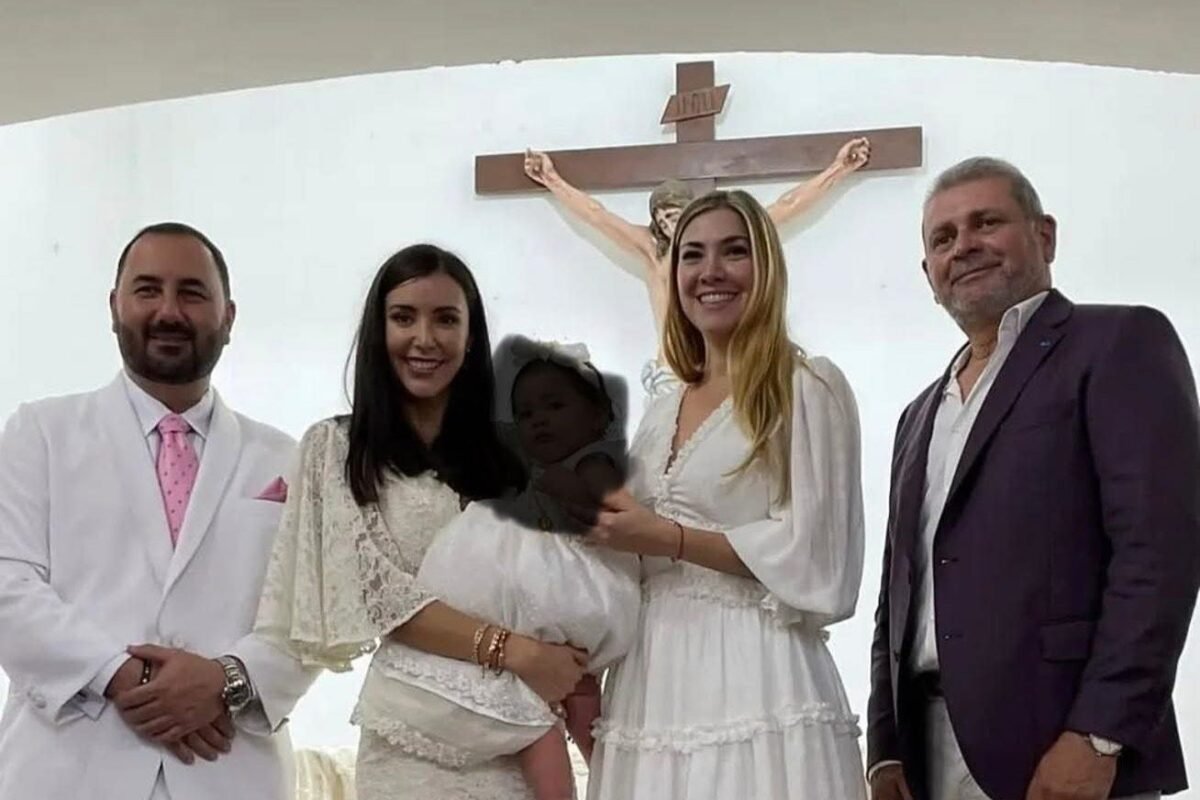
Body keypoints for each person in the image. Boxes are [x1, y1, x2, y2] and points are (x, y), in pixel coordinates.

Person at [866, 157, 1200, 800]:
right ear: (929, 274)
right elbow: (897, 590)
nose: (964, 245)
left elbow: (1158, 555)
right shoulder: (918, 414)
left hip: (1063, 749)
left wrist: (1101, 734)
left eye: (986, 222)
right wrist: (886, 748)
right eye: (943, 237)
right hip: (929, 755)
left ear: (1044, 236)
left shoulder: (1117, 343)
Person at [253, 244, 592, 800]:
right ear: (378, 329)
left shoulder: (518, 451)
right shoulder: (335, 449)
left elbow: (559, 580)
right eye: (404, 317)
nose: (425, 338)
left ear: (472, 335)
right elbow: (377, 594)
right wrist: (517, 652)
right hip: (412, 740)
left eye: (446, 319)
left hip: (520, 741)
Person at [0, 222, 312, 799]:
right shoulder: (39, 434)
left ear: (228, 317)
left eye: (192, 293)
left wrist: (225, 680)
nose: (169, 311)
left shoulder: (288, 459)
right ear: (114, 307)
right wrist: (122, 676)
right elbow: (9, 585)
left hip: (228, 769)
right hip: (68, 768)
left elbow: (312, 615)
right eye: (147, 290)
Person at [574, 190, 868, 799]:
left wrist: (669, 537)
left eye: (734, 252)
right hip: (652, 677)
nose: (710, 272)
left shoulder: (806, 386)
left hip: (756, 670)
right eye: (693, 255)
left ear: (767, 266)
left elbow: (820, 558)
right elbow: (636, 550)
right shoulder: (662, 409)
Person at [400, 335, 641, 800]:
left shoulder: (596, 466)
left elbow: (611, 512)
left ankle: (617, 783)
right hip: (526, 602)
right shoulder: (523, 480)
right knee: (534, 719)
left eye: (555, 406)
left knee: (582, 701)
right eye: (527, 414)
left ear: (597, 416)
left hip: (571, 591)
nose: (540, 420)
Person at [523, 137, 870, 398]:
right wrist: (552, 180)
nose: (669, 225)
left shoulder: (722, 243)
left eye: (675, 216)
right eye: (662, 219)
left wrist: (840, 168)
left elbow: (787, 205)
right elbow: (596, 215)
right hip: (673, 370)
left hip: (727, 367)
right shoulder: (652, 251)